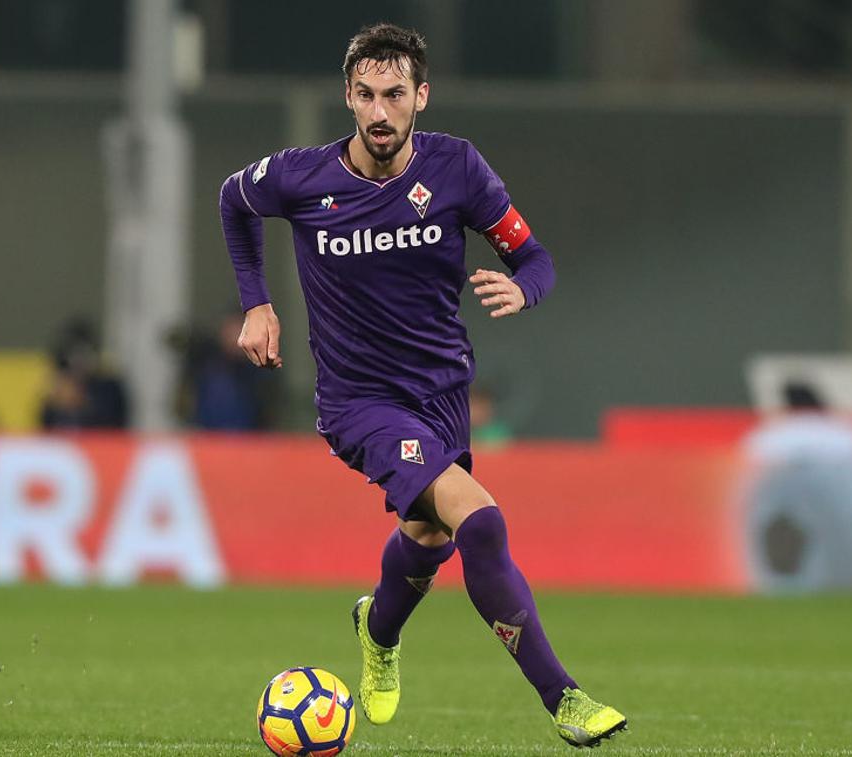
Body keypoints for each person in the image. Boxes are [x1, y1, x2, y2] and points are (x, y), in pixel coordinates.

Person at [218, 23, 625, 748]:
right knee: (480, 519)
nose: (380, 111)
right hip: (358, 403)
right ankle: (563, 697)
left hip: (442, 391)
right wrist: (256, 300)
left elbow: (535, 257)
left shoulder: (458, 170)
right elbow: (233, 199)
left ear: (421, 97)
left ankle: (376, 629)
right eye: (367, 95)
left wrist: (523, 289)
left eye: (395, 94)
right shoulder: (302, 177)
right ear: (348, 96)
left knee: (429, 535)